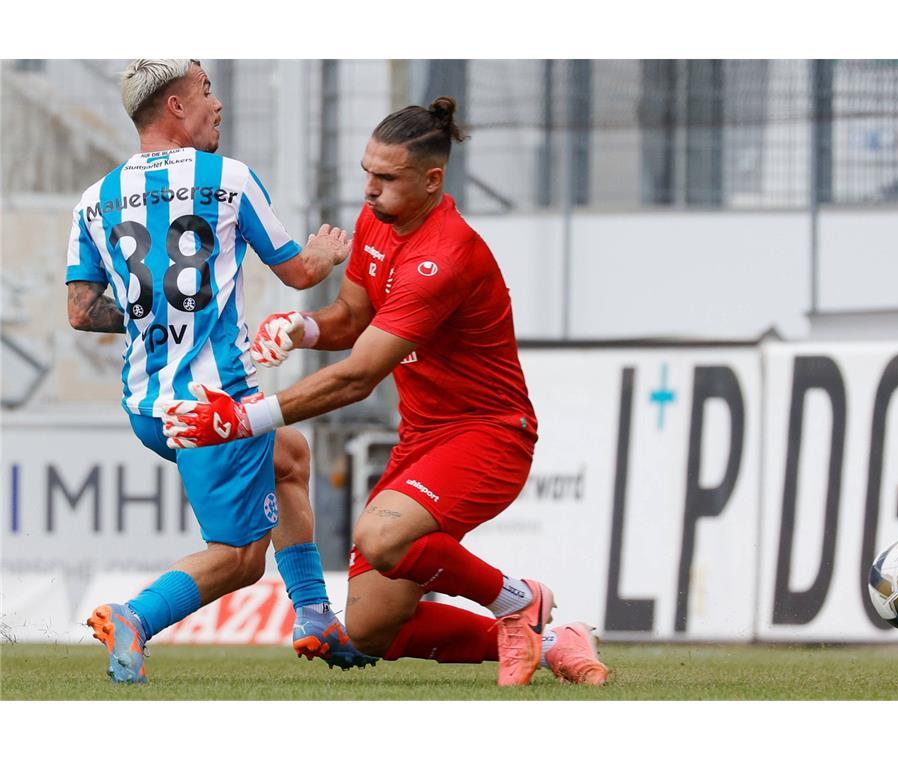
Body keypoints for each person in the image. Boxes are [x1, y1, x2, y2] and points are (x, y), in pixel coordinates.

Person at [162, 96, 610, 686]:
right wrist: (301, 328)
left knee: (382, 537)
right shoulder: (381, 220)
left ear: (432, 180)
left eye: (386, 178)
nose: (369, 191)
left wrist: (244, 418)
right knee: (374, 628)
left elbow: (358, 376)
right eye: (367, 173)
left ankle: (517, 600)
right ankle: (552, 642)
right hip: (422, 436)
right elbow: (352, 317)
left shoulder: (444, 256)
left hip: (489, 435)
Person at [66, 58, 375, 683]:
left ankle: (315, 613)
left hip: (147, 405)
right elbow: (300, 274)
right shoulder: (228, 179)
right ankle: (135, 617)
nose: (219, 104)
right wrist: (327, 252)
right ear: (176, 107)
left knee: (288, 455)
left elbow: (80, 311)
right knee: (237, 560)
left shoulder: (94, 199)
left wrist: (152, 312)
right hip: (215, 406)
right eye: (207, 91)